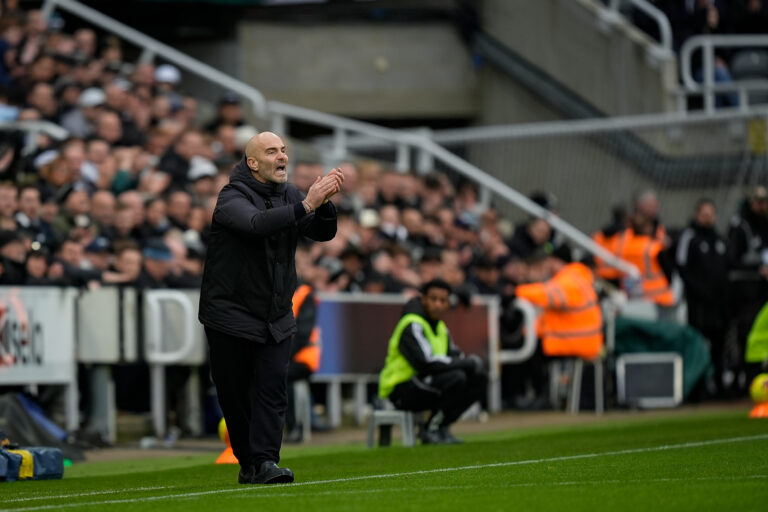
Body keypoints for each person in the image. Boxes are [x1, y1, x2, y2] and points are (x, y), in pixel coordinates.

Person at [198, 131, 342, 485]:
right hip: (229, 313)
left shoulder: (291, 194)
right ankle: (249, 463)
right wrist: (307, 204)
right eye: (272, 151)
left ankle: (264, 461)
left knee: (272, 388)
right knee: (234, 394)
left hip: (275, 314)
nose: (282, 157)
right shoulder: (232, 196)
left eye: (283, 150)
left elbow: (321, 234)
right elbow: (255, 225)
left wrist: (323, 204)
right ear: (253, 163)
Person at [378, 278, 487, 445]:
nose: (437, 304)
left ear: (448, 303)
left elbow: (454, 356)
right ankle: (430, 430)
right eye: (433, 299)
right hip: (400, 388)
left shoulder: (441, 328)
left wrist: (469, 363)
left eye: (443, 300)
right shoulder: (412, 324)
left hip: (422, 383)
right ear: (424, 300)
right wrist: (466, 363)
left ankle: (441, 427)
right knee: (456, 377)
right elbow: (426, 364)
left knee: (478, 377)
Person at [675, 199, 730, 396]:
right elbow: (681, 267)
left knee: (719, 347)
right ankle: (696, 388)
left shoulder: (719, 239)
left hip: (718, 305)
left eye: (711, 214)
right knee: (697, 345)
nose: (708, 218)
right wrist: (698, 291)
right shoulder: (689, 236)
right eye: (704, 214)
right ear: (697, 214)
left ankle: (720, 387)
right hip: (698, 304)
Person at [284, 282, 321, 444]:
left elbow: (303, 333)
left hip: (303, 357)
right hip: (291, 356)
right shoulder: (287, 291)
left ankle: (297, 427)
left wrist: (283, 355)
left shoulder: (304, 293)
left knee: (281, 375)